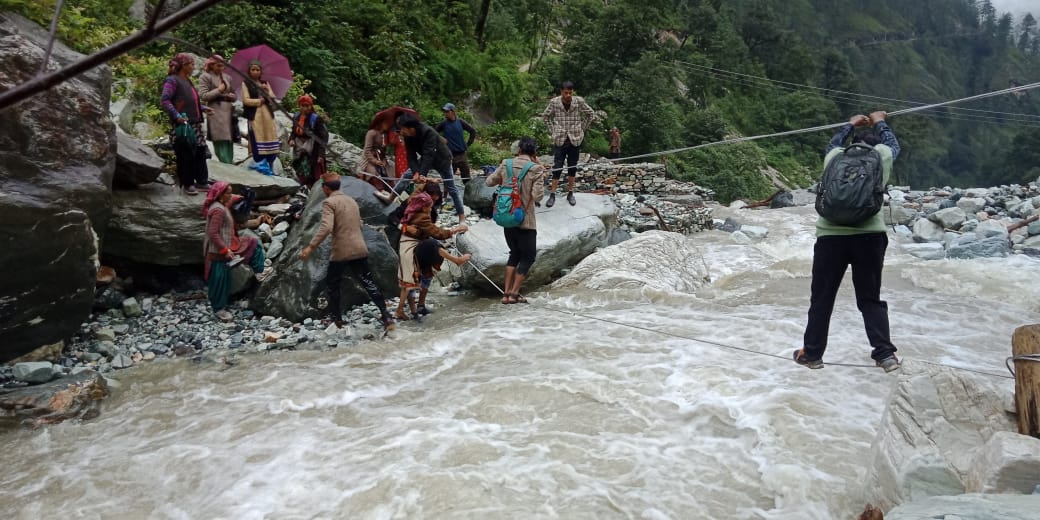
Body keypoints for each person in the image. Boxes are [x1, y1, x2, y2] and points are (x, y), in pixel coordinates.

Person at [794, 111, 902, 372]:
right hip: (869, 237)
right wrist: (880, 120)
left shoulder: (835, 157)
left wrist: (849, 124)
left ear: (852, 142)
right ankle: (885, 355)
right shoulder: (881, 155)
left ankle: (813, 354)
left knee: (822, 297)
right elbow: (893, 145)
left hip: (830, 237)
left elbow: (831, 144)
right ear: (873, 144)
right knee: (869, 298)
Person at [300, 174, 395, 330]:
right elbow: (359, 224)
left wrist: (310, 247)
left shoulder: (329, 202)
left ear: (326, 188)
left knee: (333, 284)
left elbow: (326, 227)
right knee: (368, 282)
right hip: (359, 247)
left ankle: (336, 319)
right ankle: (386, 315)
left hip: (341, 250)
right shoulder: (351, 201)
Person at [485, 136, 545, 303]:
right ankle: (514, 293)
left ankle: (505, 294)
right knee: (529, 257)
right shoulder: (536, 169)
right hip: (525, 220)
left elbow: (490, 182)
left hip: (507, 216)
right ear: (534, 152)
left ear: (519, 150)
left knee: (514, 253)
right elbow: (538, 196)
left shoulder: (506, 163)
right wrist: (541, 171)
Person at [203, 181, 273, 321]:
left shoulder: (222, 204)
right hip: (218, 250)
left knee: (253, 244)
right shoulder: (218, 210)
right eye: (228, 193)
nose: (230, 195)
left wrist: (244, 197)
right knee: (219, 279)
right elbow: (213, 233)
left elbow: (234, 198)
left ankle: (259, 271)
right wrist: (224, 249)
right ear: (221, 195)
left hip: (229, 244)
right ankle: (219, 309)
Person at [395, 190, 468, 320]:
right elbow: (436, 232)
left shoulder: (412, 211)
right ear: (424, 207)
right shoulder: (422, 217)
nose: (431, 207)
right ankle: (455, 260)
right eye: (430, 205)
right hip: (410, 246)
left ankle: (412, 310)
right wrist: (454, 230)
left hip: (408, 244)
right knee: (433, 245)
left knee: (410, 281)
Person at [393, 113, 466, 223]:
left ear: (411, 128)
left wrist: (421, 174)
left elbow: (429, 154)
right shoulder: (408, 136)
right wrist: (415, 172)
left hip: (442, 159)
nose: (401, 132)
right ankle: (390, 197)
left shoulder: (428, 131)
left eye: (402, 129)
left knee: (451, 188)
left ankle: (462, 217)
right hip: (426, 158)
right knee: (406, 175)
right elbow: (411, 156)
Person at [160, 53, 210, 195]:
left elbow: (191, 102)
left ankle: (202, 181)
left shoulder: (187, 80)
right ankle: (187, 183)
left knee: (200, 151)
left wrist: (204, 109)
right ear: (184, 66)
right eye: (192, 64)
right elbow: (165, 100)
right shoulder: (172, 80)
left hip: (195, 123)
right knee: (185, 153)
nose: (194, 67)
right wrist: (176, 116)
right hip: (182, 125)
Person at [542, 80, 594, 207]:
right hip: (560, 138)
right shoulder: (554, 102)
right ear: (561, 92)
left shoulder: (578, 101)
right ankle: (552, 194)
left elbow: (590, 113)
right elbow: (546, 117)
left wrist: (582, 128)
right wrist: (553, 130)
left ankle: (570, 192)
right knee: (557, 166)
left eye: (570, 93)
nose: (568, 95)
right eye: (566, 93)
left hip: (575, 138)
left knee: (572, 167)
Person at [240, 60, 280, 171]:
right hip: (255, 115)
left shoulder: (265, 83)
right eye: (253, 69)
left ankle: (270, 164)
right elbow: (246, 100)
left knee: (269, 136)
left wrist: (267, 90)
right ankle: (259, 163)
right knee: (257, 137)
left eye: (258, 69)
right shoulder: (246, 83)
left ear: (261, 71)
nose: (255, 72)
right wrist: (260, 101)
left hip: (267, 115)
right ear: (249, 71)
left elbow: (272, 98)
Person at [197, 55, 237, 164]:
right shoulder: (205, 77)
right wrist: (219, 90)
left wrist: (233, 96)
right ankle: (224, 162)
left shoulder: (227, 77)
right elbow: (203, 95)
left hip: (228, 111)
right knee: (220, 137)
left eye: (222, 66)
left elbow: (234, 93)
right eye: (218, 65)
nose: (221, 68)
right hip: (216, 110)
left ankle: (230, 162)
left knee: (229, 138)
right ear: (212, 65)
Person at [289, 95, 329, 187]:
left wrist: (321, 154)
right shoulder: (296, 117)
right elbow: (293, 131)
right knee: (300, 170)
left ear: (311, 106)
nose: (305, 108)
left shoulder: (316, 119)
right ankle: (303, 187)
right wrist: (291, 139)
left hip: (312, 148)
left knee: (314, 172)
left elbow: (323, 137)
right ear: (299, 106)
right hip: (299, 148)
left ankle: (313, 189)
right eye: (302, 106)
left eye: (307, 106)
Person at [434, 103, 477, 184]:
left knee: (466, 178)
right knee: (448, 179)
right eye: (445, 111)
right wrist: (441, 139)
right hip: (449, 155)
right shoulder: (444, 123)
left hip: (462, 154)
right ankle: (445, 196)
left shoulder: (460, 122)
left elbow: (472, 131)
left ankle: (467, 194)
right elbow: (433, 132)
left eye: (447, 111)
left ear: (453, 112)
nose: (445, 113)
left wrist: (468, 144)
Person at [358, 116, 397, 203]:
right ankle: (380, 191)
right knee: (373, 174)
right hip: (369, 159)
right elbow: (367, 150)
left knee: (389, 175)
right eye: (386, 123)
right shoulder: (371, 133)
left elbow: (384, 150)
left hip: (381, 158)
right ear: (380, 123)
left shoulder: (386, 135)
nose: (388, 125)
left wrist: (382, 160)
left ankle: (392, 193)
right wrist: (375, 161)